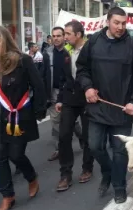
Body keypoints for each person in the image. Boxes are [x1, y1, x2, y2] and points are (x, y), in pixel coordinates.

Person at [76, 6, 133, 203]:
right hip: (98, 106)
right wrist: (87, 88)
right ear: (107, 22)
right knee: (94, 146)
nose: (120, 27)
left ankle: (119, 186)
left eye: (124, 23)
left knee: (119, 151)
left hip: (123, 109)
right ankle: (107, 172)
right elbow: (82, 69)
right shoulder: (93, 42)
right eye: (116, 23)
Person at [0, 26, 47, 210]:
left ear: (1, 40)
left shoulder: (23, 60)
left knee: (15, 155)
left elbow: (39, 86)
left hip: (18, 117)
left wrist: (39, 110)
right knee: (0, 156)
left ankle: (31, 177)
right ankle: (7, 196)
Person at [54, 20, 95, 192]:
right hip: (70, 99)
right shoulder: (66, 52)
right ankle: (66, 174)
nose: (64, 37)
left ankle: (87, 168)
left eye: (67, 34)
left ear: (78, 35)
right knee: (63, 135)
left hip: (87, 98)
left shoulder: (91, 50)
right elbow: (64, 79)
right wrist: (60, 99)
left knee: (87, 136)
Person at [46, 26, 84, 162]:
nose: (56, 39)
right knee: (56, 122)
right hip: (54, 91)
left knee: (70, 122)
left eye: (59, 36)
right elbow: (44, 73)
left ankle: (81, 137)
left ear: (64, 37)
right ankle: (59, 149)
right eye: (53, 36)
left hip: (70, 91)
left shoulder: (70, 52)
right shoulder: (48, 53)